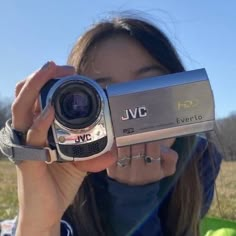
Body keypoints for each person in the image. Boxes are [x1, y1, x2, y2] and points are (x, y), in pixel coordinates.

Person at [1, 16, 222, 236]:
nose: (133, 112)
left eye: (149, 88)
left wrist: (135, 201)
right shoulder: (65, 173)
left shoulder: (199, 161)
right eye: (103, 95)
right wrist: (38, 225)